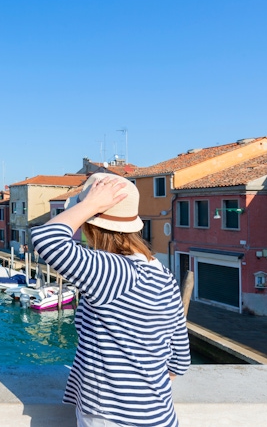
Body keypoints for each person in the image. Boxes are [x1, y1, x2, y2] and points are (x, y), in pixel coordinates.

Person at [31, 173, 190, 427]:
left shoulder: (112, 271)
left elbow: (46, 239)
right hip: (160, 416)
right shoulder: (161, 274)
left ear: (91, 225)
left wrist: (90, 205)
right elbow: (180, 360)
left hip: (112, 419)